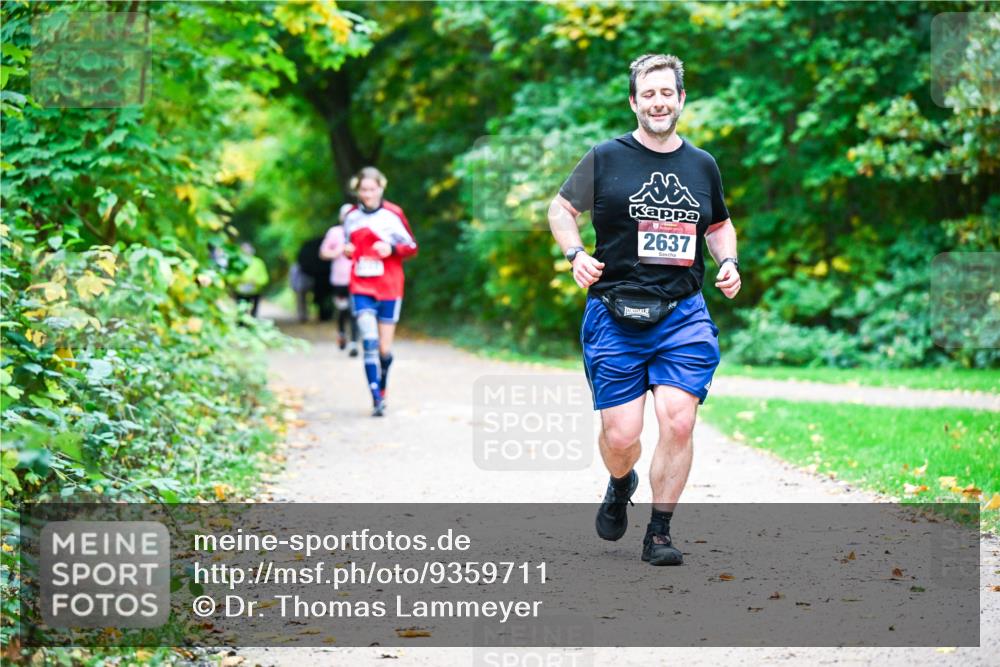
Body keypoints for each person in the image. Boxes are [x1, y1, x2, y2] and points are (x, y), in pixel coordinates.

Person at [548, 54, 741, 566]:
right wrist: (575, 255)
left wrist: (729, 262)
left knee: (678, 422)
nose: (659, 101)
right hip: (615, 312)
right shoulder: (605, 157)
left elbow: (718, 226)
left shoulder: (702, 165)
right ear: (634, 102)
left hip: (683, 312)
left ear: (681, 99)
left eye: (667, 92)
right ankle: (620, 481)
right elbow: (561, 209)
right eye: (648, 94)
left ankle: (659, 532)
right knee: (621, 436)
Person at [341, 167, 418, 417]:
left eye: (372, 189)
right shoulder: (351, 217)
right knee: (369, 341)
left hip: (389, 286)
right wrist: (348, 250)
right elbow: (348, 245)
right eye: (363, 190)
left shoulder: (393, 214)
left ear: (381, 188)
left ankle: (382, 387)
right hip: (361, 285)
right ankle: (376, 399)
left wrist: (392, 248)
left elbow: (412, 246)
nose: (367, 194)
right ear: (357, 191)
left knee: (384, 349)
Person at [320, 203, 360, 356]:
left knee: (354, 310)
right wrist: (338, 251)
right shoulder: (335, 232)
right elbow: (323, 253)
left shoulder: (360, 231)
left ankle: (354, 342)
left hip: (357, 279)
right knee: (343, 309)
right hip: (339, 279)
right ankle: (342, 334)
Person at [292, 236, 334, 324]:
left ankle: (304, 315)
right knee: (322, 297)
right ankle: (319, 315)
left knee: (304, 298)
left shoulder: (309, 248)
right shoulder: (319, 247)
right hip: (319, 277)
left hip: (314, 277)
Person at [232, 242, 269, 317]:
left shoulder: (258, 262)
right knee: (241, 313)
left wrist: (256, 281)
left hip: (255, 292)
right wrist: (239, 280)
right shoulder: (236, 262)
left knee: (253, 314)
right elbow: (230, 277)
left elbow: (265, 278)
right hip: (240, 292)